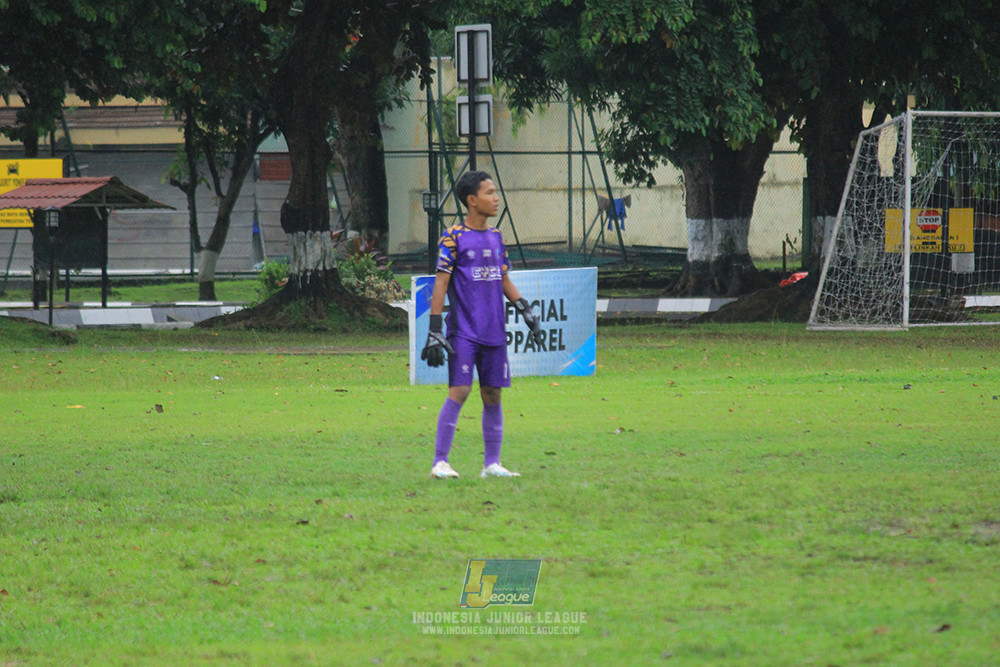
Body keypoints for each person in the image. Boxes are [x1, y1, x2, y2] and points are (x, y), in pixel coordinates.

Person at [421, 170, 544, 479]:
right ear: (472, 200)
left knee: (493, 394)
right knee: (459, 391)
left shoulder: (497, 236)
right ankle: (440, 462)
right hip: (463, 331)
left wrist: (525, 308)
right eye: (490, 193)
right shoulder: (453, 237)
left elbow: (503, 278)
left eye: (495, 192)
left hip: (494, 332)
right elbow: (440, 283)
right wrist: (435, 328)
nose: (496, 197)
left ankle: (492, 464)